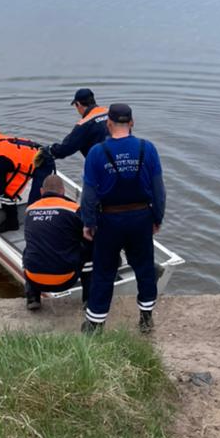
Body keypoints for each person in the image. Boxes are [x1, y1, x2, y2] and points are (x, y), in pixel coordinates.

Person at [79, 103, 165, 334]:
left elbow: (89, 194)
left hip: (109, 220)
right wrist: (157, 217)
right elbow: (159, 190)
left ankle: (95, 324)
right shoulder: (148, 149)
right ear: (132, 122)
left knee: (104, 270)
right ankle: (146, 317)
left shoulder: (97, 152)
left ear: (108, 124)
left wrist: (88, 222)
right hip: (141, 218)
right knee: (144, 267)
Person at [22, 174, 92, 310]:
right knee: (90, 251)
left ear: (42, 191)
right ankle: (89, 301)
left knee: (29, 249)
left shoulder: (29, 210)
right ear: (63, 191)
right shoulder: (74, 209)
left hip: (34, 278)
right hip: (65, 279)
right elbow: (89, 236)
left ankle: (32, 297)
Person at [28, 87, 109, 203]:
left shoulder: (84, 124)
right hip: (118, 161)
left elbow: (66, 148)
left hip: (98, 168)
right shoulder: (110, 112)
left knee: (90, 200)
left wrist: (50, 151)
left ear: (78, 104)